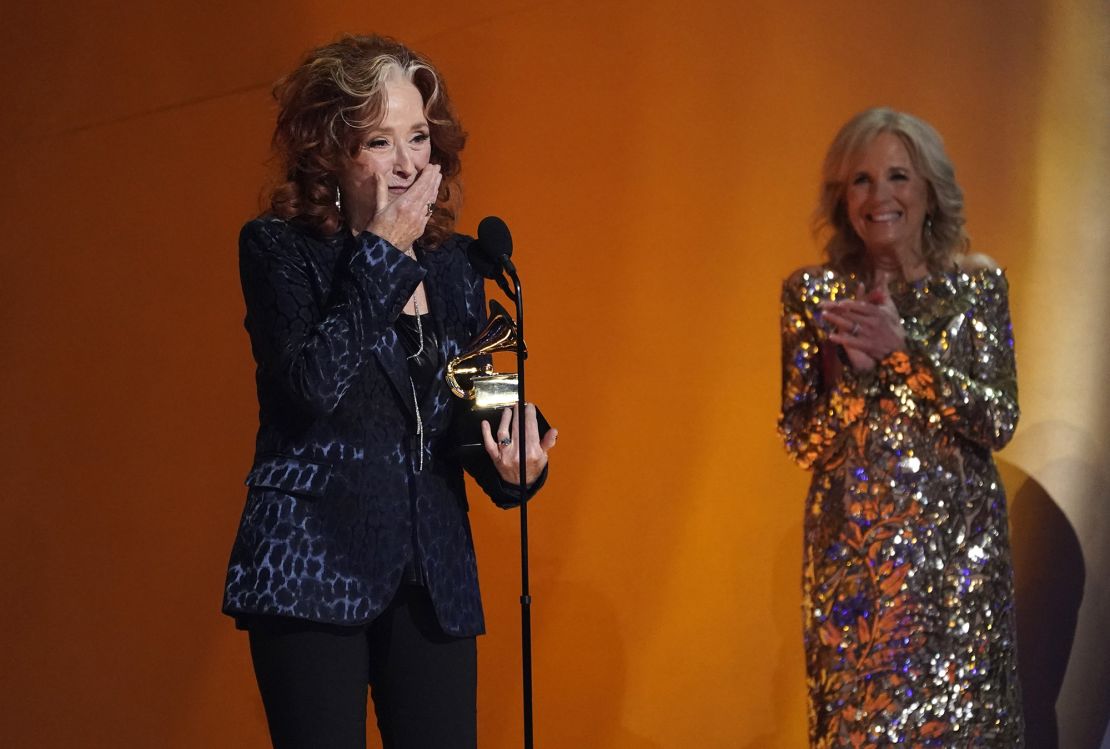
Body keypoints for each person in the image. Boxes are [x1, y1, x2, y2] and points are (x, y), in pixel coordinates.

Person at [221, 34, 557, 749]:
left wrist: (516, 459)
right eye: (379, 140)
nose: (408, 162)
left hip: (431, 578)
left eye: (418, 137)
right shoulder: (278, 249)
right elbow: (312, 384)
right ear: (331, 155)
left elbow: (479, 409)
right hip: (310, 568)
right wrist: (380, 253)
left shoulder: (460, 267)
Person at [778, 108, 1024, 746]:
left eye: (897, 176)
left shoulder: (977, 286)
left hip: (958, 567)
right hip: (856, 569)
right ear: (842, 199)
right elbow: (803, 440)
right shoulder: (814, 294)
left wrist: (905, 353)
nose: (879, 196)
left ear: (930, 191)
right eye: (860, 180)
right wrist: (857, 380)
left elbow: (998, 420)